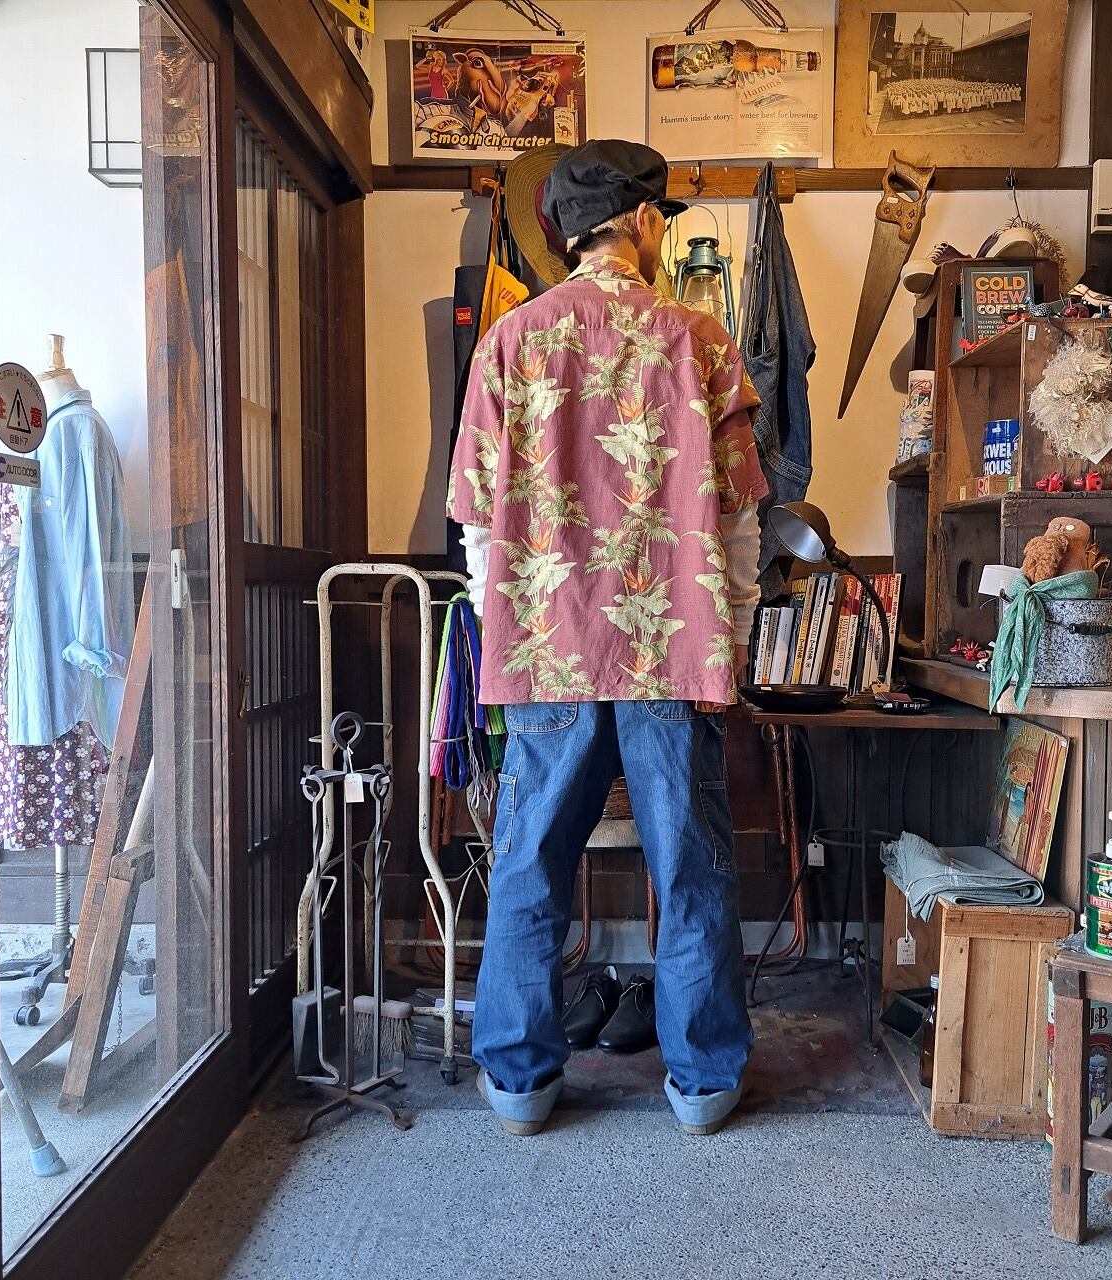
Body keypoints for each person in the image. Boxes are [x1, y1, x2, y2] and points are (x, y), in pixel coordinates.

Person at [446, 139, 766, 1138]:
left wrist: (505, 624)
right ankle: (702, 1081)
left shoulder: (510, 342)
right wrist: (730, 633)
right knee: (690, 861)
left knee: (530, 859)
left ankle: (519, 1080)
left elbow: (475, 524)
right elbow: (739, 518)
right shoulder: (698, 338)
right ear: (643, 222)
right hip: (671, 642)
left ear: (571, 234)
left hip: (547, 640)